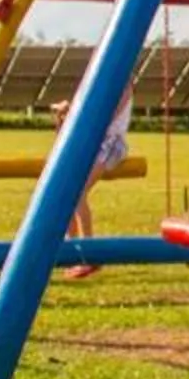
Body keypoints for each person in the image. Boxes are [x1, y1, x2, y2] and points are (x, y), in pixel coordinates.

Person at [50, 88, 135, 280]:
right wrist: (69, 110)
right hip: (95, 141)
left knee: (77, 192)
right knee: (66, 191)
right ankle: (72, 252)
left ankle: (88, 255)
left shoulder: (123, 83)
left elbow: (105, 116)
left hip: (109, 143)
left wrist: (73, 111)